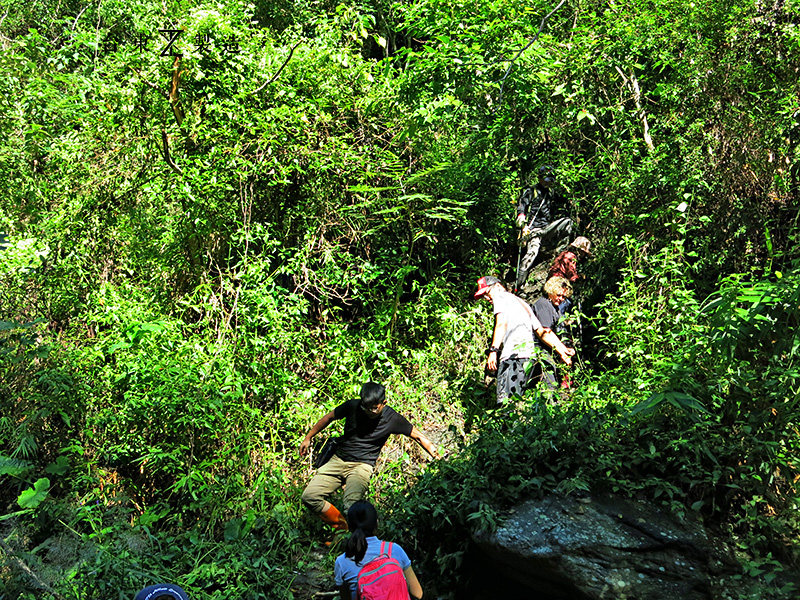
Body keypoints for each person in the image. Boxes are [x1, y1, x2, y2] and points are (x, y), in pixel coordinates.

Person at [299, 382, 439, 536]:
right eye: (365, 407)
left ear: (383, 403)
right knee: (310, 496)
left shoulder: (392, 418)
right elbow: (329, 417)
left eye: (374, 408)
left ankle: (359, 543)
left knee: (352, 507)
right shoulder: (353, 406)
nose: (369, 412)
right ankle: (341, 528)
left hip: (362, 465)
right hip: (338, 460)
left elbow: (418, 436)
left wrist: (437, 456)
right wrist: (308, 437)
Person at [474, 276, 574, 403]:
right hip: (529, 360)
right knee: (523, 403)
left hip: (513, 358)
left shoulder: (499, 296)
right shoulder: (522, 303)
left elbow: (501, 323)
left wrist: (493, 350)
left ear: (498, 286)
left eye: (487, 293)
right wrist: (563, 352)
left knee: (506, 405)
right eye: (483, 296)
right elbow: (541, 332)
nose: (487, 298)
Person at [335, 500, 423, 600]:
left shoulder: (342, 562)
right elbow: (417, 593)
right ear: (376, 523)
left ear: (349, 527)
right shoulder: (394, 549)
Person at [515, 165, 572, 291]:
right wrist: (522, 220)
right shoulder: (532, 191)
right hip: (533, 230)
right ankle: (519, 285)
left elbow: (560, 205)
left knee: (567, 222)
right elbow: (522, 205)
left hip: (547, 228)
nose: (547, 183)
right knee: (531, 254)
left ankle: (561, 251)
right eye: (545, 180)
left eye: (550, 180)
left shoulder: (551, 193)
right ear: (539, 178)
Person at [532, 277, 574, 390]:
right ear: (551, 291)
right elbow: (546, 332)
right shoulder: (543, 305)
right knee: (549, 384)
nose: (560, 299)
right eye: (558, 295)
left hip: (549, 350)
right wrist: (562, 352)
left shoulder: (555, 308)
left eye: (564, 297)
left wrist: (565, 349)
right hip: (539, 350)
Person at [548, 236, 593, 317]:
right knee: (563, 305)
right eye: (583, 252)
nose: (583, 255)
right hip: (559, 285)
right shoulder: (571, 257)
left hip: (553, 285)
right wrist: (581, 277)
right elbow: (571, 275)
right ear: (578, 250)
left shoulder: (564, 254)